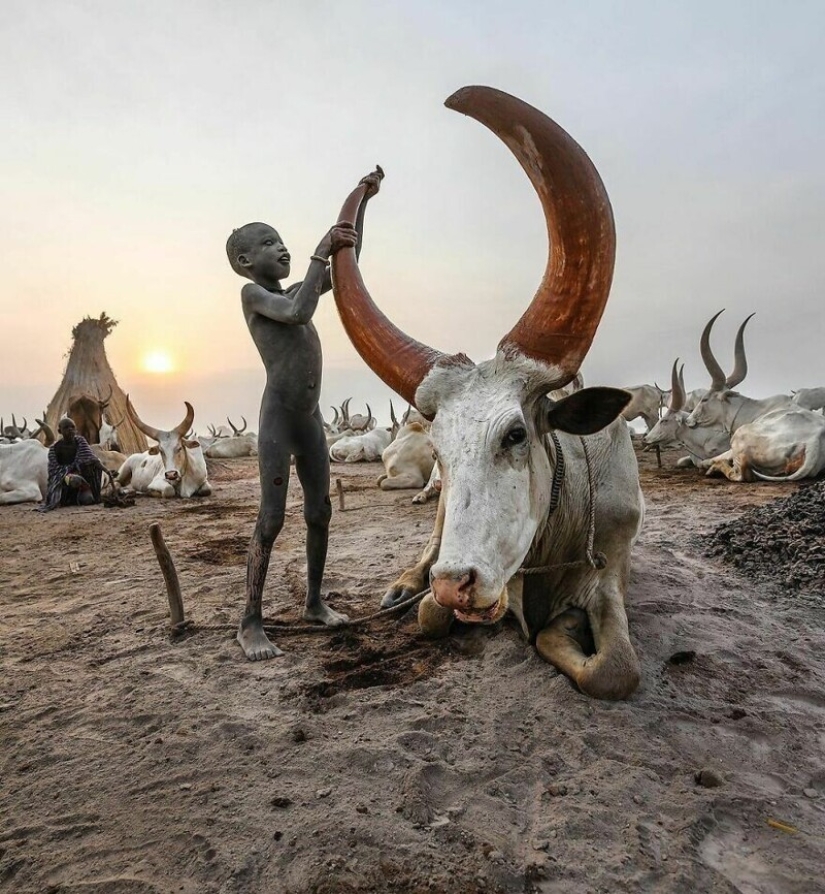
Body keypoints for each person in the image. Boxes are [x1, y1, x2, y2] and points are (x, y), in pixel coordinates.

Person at [226, 167, 383, 660]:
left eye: (282, 242)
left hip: (311, 419)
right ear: (246, 260)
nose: (282, 248)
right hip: (278, 419)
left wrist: (361, 201)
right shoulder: (257, 296)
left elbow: (344, 267)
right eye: (270, 243)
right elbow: (299, 314)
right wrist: (321, 247)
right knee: (271, 519)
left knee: (320, 512)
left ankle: (315, 602)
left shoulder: (298, 287)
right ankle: (250, 621)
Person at [38, 416, 114, 512]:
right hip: (64, 481)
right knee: (74, 480)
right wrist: (68, 476)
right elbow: (55, 471)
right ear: (59, 431)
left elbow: (92, 459)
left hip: (81, 480)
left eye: (72, 427)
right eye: (66, 427)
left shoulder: (81, 442)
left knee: (88, 499)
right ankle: (67, 497)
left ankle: (85, 491)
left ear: (76, 429)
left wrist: (106, 470)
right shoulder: (55, 448)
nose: (70, 430)